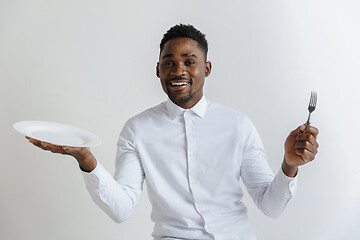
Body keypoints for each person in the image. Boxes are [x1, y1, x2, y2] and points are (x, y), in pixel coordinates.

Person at [27, 24, 319, 240]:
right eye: (169, 63)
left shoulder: (238, 125)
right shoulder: (137, 130)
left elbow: (271, 206)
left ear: (207, 68)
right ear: (158, 70)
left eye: (189, 62)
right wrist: (86, 160)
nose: (178, 70)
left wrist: (288, 166)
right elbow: (121, 209)